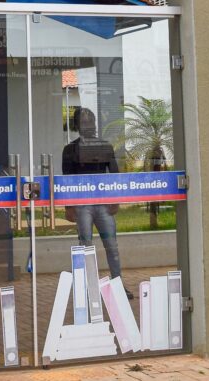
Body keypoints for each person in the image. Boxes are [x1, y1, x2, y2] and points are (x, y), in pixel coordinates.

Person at [61, 107, 133, 300]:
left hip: (103, 204)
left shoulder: (105, 146)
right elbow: (66, 180)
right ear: (77, 126)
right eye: (84, 122)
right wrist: (68, 207)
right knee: (85, 246)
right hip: (82, 205)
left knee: (112, 246)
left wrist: (115, 200)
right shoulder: (69, 150)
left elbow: (115, 175)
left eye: (91, 121)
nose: (88, 125)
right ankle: (84, 289)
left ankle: (118, 285)